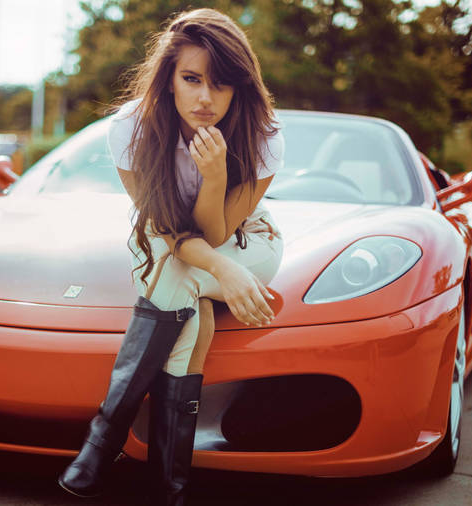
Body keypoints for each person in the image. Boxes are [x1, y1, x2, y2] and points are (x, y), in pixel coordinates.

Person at [58, 8, 285, 505]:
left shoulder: (265, 137)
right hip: (182, 252)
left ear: (240, 88)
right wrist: (222, 269)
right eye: (191, 79)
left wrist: (217, 176)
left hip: (250, 244)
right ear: (169, 78)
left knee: (175, 275)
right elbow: (164, 227)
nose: (205, 98)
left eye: (221, 84)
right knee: (186, 293)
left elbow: (218, 230)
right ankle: (168, 487)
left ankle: (103, 443)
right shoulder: (129, 130)